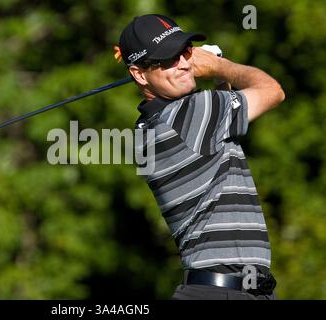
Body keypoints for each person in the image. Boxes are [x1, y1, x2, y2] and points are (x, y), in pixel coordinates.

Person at [116, 14, 285, 300]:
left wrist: (220, 78)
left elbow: (223, 136)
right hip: (223, 293)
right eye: (167, 59)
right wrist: (219, 65)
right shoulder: (187, 114)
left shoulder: (153, 125)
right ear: (139, 73)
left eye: (185, 51)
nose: (183, 63)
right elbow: (273, 91)